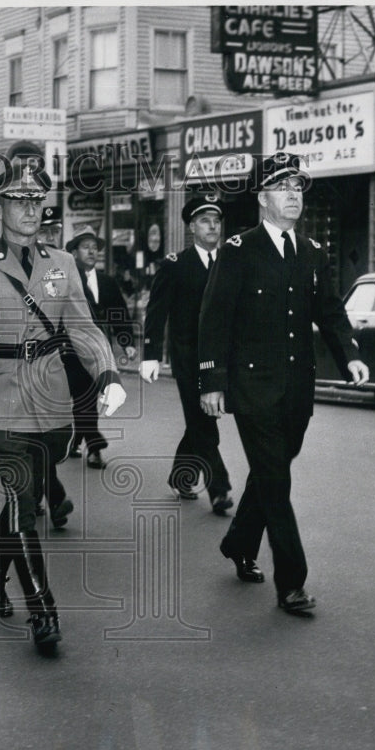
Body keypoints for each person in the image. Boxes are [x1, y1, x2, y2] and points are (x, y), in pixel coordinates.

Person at [0, 152, 126, 651]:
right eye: (18, 200)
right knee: (22, 497)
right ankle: (43, 611)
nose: (30, 210)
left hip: (51, 405)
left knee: (26, 498)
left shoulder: (63, 265)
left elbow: (82, 327)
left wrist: (108, 376)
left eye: (36, 200)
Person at [197, 153, 369, 615]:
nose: (293, 195)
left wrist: (350, 355)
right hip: (252, 390)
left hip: (296, 390)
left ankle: (238, 542)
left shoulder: (312, 251)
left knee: (271, 472)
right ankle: (291, 582)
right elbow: (214, 319)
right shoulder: (238, 249)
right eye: (282, 187)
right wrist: (212, 381)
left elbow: (329, 310)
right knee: (276, 480)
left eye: (298, 187)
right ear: (261, 198)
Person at [140, 191, 235, 515]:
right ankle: (220, 489)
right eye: (205, 221)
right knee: (205, 424)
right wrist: (151, 354)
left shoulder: (230, 262)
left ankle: (181, 476)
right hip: (188, 359)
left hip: (221, 360)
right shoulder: (176, 265)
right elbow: (156, 311)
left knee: (198, 422)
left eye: (217, 220)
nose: (213, 226)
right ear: (191, 227)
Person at [65, 226, 137, 468]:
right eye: (86, 247)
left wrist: (126, 342)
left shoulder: (106, 282)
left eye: (95, 248)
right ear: (74, 253)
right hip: (72, 350)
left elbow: (119, 314)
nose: (92, 252)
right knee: (84, 398)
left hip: (99, 350)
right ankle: (95, 447)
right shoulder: (67, 281)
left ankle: (75, 439)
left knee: (85, 399)